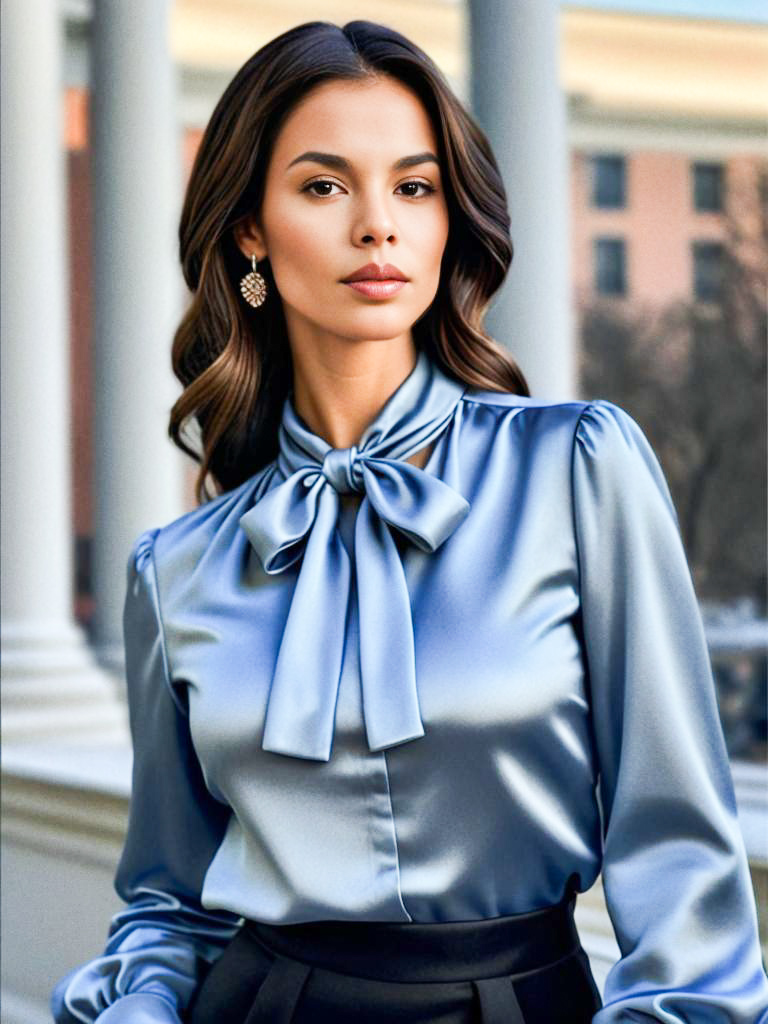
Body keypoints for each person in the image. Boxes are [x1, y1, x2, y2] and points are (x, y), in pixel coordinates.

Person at [51, 18, 768, 1024]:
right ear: (250, 229)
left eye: (414, 187)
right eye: (323, 185)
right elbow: (171, 897)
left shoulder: (579, 469)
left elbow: (683, 857)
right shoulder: (178, 568)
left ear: (446, 220)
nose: (376, 224)